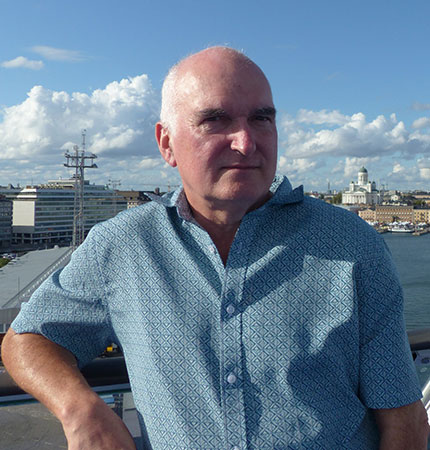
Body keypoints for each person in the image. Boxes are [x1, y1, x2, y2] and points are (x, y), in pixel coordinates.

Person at [2, 46, 429, 450]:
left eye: (262, 119)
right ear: (166, 143)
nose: (246, 143)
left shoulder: (352, 245)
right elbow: (26, 340)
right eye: (216, 120)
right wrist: (81, 410)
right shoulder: (123, 247)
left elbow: (403, 418)